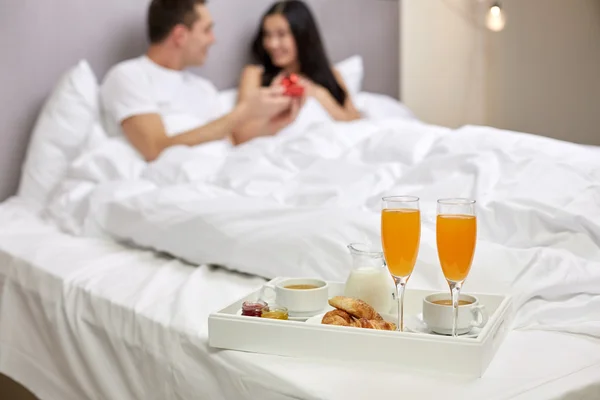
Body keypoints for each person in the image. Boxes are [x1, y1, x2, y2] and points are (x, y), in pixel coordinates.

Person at [100, 0, 294, 161]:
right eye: (207, 30)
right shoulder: (130, 75)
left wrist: (276, 122)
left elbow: (232, 144)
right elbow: (155, 148)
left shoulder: (203, 87)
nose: (213, 40)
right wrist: (243, 111)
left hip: (226, 176)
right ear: (180, 36)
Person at [234, 0, 361, 144]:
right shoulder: (254, 75)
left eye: (281, 35)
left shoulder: (331, 75)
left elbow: (357, 125)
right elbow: (239, 136)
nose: (272, 44)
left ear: (302, 36)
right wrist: (273, 112)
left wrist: (319, 95)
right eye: (267, 35)